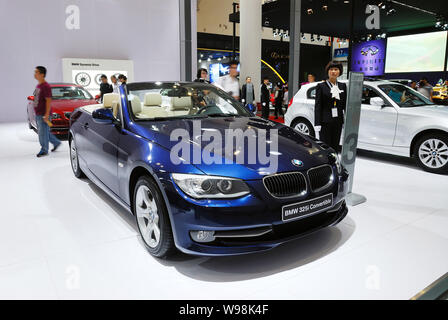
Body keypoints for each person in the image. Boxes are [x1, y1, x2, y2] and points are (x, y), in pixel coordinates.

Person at [314, 61, 347, 152]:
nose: (333, 72)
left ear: (339, 72)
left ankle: (334, 163)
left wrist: (345, 120)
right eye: (331, 69)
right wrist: (317, 123)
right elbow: (318, 106)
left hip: (338, 121)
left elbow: (344, 105)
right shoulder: (321, 86)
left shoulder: (342, 86)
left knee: (336, 145)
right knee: (325, 145)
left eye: (336, 69)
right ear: (328, 72)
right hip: (325, 122)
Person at [33, 66, 61, 157]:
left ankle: (44, 150)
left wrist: (46, 114)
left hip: (43, 114)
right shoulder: (38, 85)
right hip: (39, 113)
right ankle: (56, 142)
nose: (35, 74)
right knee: (45, 131)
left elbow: (48, 100)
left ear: (42, 74)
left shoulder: (46, 86)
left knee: (42, 133)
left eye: (36, 72)